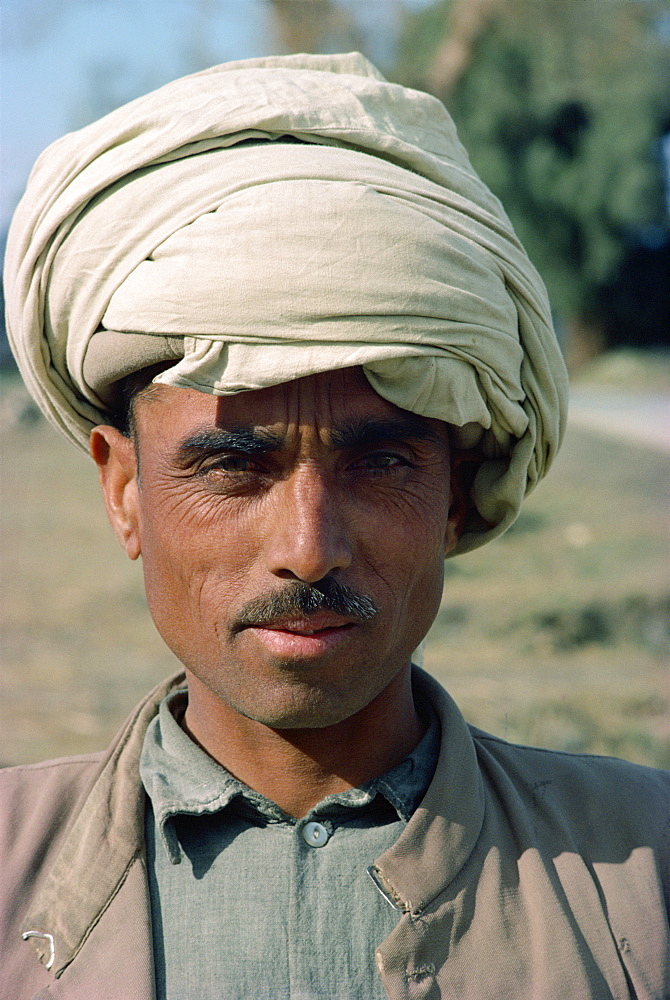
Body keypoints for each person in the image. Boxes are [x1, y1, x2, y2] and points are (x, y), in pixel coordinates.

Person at [1, 53, 667, 1000]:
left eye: (382, 463)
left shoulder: (644, 876)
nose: (308, 547)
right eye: (233, 465)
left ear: (455, 494)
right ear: (124, 493)